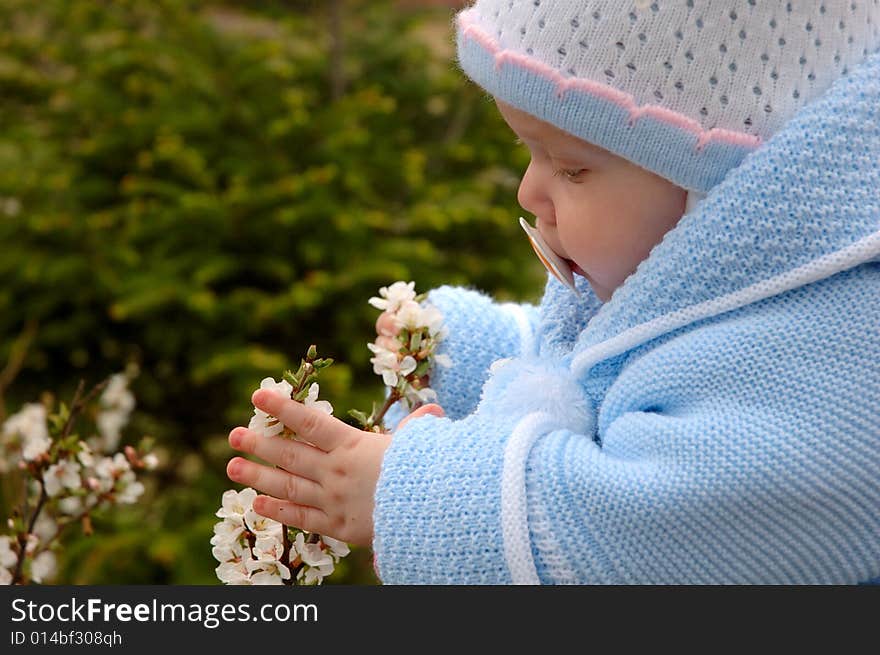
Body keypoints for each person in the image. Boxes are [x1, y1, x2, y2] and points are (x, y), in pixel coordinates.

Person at [226, 1, 880, 583]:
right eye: (528, 152)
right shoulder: (726, 286)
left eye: (572, 167)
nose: (528, 192)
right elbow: (610, 360)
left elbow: (644, 537)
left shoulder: (831, 367)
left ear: (729, 188)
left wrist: (411, 495)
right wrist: (486, 351)